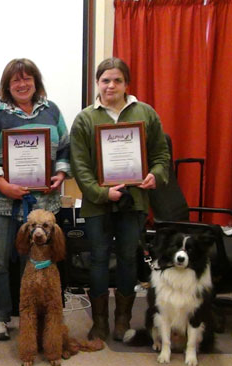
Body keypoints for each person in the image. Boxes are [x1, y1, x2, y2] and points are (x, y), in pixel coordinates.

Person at [70, 57, 169, 341]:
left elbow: (161, 155)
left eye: (117, 80)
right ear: (97, 83)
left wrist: (155, 175)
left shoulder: (146, 114)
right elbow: (80, 166)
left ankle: (122, 319)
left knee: (127, 259)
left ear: (126, 83)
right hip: (97, 203)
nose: (111, 85)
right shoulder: (85, 118)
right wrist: (103, 193)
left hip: (134, 200)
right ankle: (99, 320)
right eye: (105, 80)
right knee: (98, 259)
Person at [0, 58, 70, 341]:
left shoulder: (52, 111)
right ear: (7, 84)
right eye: (16, 79)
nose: (22, 84)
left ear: (36, 82)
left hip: (42, 203)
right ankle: (1, 318)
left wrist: (60, 175)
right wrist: (3, 185)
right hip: (0, 202)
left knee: (38, 263)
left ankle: (38, 318)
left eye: (27, 78)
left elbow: (65, 147)